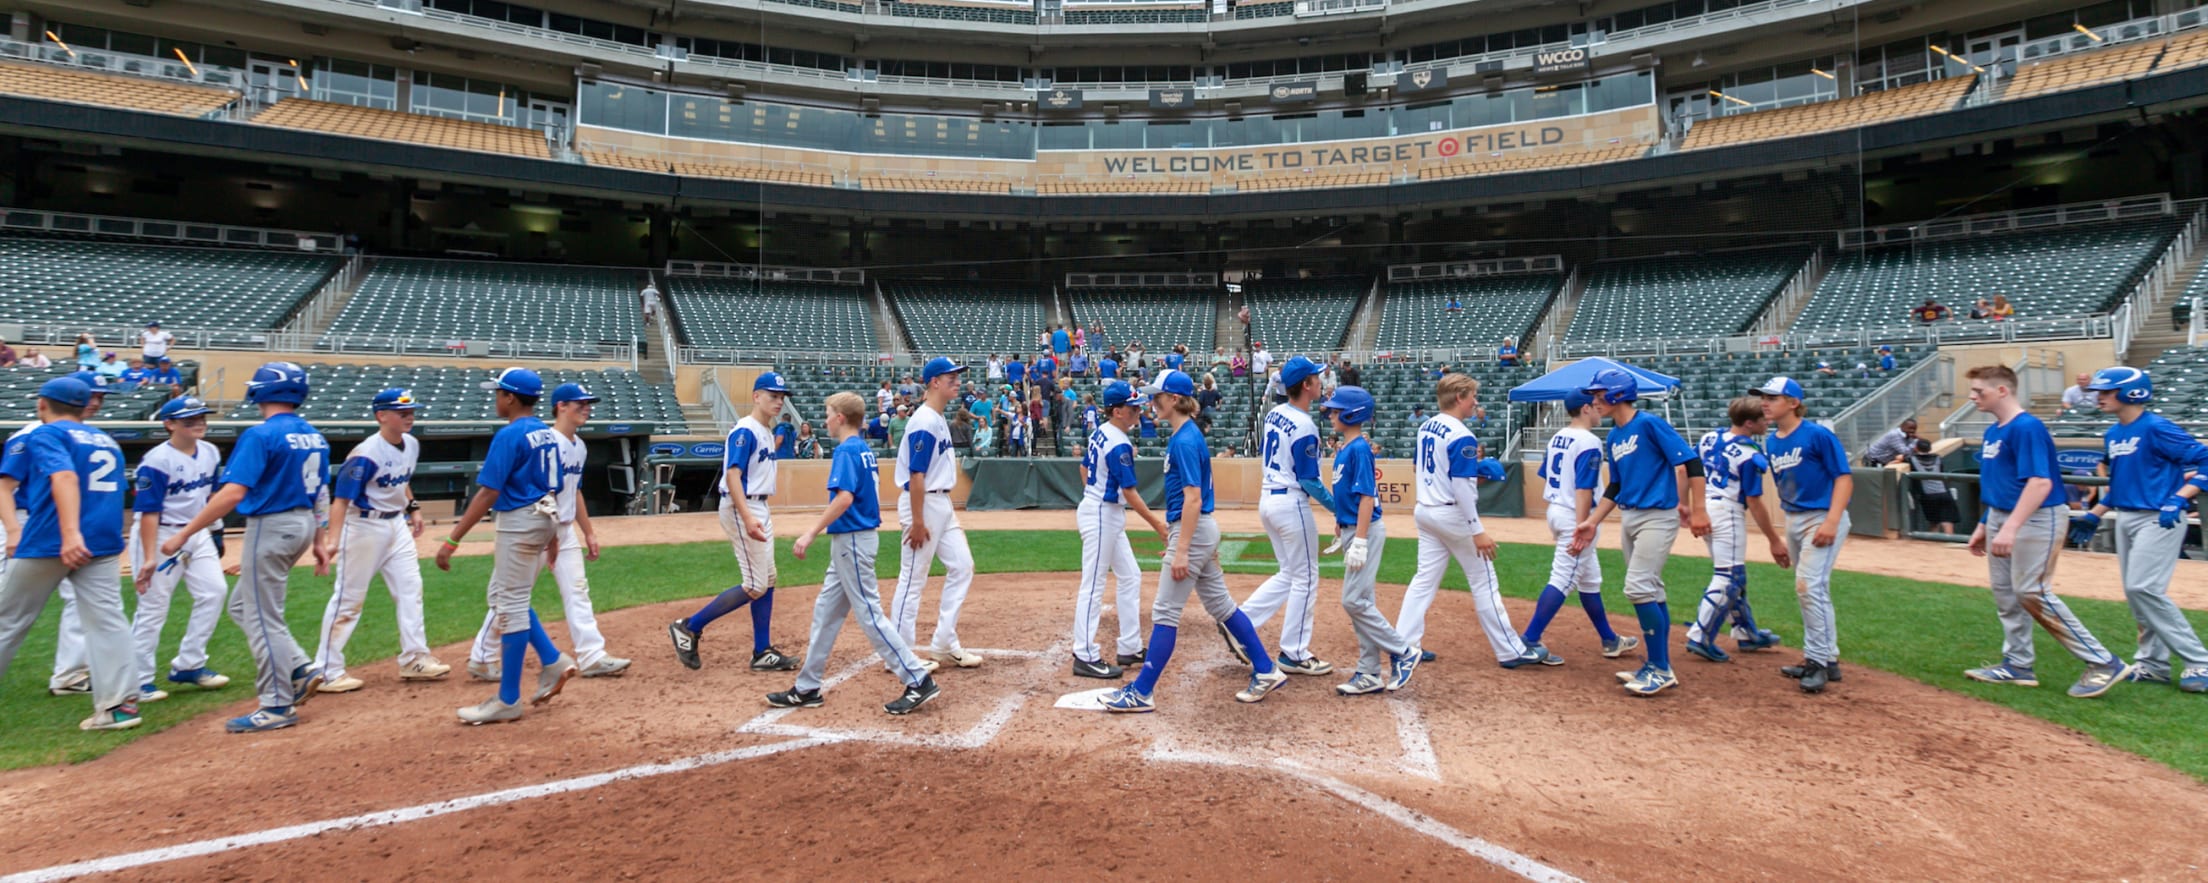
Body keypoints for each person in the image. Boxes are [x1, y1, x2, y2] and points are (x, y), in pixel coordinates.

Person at [160, 362, 333, 733]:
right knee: (243, 605)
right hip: (302, 522)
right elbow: (322, 492)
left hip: (272, 525)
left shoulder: (260, 434)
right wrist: (319, 539)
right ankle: (301, 667)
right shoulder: (314, 434)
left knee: (260, 616)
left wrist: (184, 533)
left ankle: (276, 704)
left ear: (261, 391)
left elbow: (233, 493)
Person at [1101, 370, 1285, 712]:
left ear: (1174, 400)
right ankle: (1265, 668)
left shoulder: (1185, 440)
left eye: (1158, 397)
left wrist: (1181, 547)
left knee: (1165, 612)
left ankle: (1141, 691)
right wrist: (1179, 539)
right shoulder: (1187, 435)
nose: (1152, 402)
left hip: (1195, 530)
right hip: (1197, 530)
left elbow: (1193, 499)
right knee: (1222, 607)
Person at [1959, 364, 2130, 698]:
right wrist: (1984, 525)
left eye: (1979, 391)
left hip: (2037, 517)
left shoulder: (2027, 428)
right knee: (2006, 595)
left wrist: (2010, 527)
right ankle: (2017, 664)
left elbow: (2039, 483)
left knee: (2032, 591)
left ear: (2002, 391)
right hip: (2001, 515)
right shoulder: (1995, 430)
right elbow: (2000, 483)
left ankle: (2103, 661)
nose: (1972, 396)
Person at [769, 391, 942, 714]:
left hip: (852, 539)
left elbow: (844, 498)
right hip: (851, 541)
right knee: (826, 612)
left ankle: (918, 679)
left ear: (840, 418)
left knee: (869, 613)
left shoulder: (848, 450)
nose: (825, 420)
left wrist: (810, 533)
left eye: (829, 413)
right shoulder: (862, 449)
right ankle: (807, 687)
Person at [435, 367, 577, 725]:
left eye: (499, 393)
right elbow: (555, 489)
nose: (495, 398)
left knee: (510, 605)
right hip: (543, 519)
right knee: (503, 596)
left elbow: (488, 492)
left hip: (519, 522)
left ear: (511, 397)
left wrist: (453, 539)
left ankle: (508, 699)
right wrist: (555, 536)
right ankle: (551, 659)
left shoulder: (510, 435)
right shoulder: (546, 434)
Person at [0, 376, 140, 731]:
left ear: (42, 404)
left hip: (53, 541)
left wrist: (70, 533)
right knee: (108, 620)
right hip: (104, 542)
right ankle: (118, 707)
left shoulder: (45, 433)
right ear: (84, 406)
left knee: (8, 619)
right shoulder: (106, 439)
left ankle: (113, 703)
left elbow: (64, 478)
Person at [468, 382, 631, 681]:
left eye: (587, 404)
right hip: (537, 527)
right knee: (510, 597)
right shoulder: (546, 440)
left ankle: (592, 655)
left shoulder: (579, 446)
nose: (586, 408)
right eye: (579, 403)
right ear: (560, 407)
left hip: (563, 530)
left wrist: (589, 532)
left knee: (578, 591)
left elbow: (575, 492)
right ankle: (482, 655)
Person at [2068, 367, 2208, 693]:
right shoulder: (2114, 433)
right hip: (2127, 516)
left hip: (2160, 517)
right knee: (2135, 594)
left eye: (2106, 391)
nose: (2098, 396)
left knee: (2144, 587)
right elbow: (2122, 482)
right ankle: (2153, 664)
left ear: (2131, 393)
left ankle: (2199, 661)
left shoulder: (2157, 427)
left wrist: (2179, 498)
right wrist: (2096, 514)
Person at [1573, 368, 1707, 697]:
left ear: (1618, 394)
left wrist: (1699, 508)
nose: (1594, 401)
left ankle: (1660, 668)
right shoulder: (1615, 436)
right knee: (1652, 589)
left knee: (1637, 587)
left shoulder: (1648, 423)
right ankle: (1656, 664)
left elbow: (1691, 462)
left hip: (1657, 516)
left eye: (1599, 394)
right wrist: (1593, 521)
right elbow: (1615, 486)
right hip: (1631, 517)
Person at [1400, 373, 1545, 668]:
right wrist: (1477, 530)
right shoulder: (1461, 434)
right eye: (1472, 396)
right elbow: (1463, 487)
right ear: (1459, 398)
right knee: (1484, 583)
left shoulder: (1426, 426)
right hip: (1450, 513)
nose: (1475, 401)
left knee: (1423, 581)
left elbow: (1421, 466)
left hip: (1425, 510)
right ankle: (1511, 651)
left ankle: (1404, 644)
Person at [312, 388, 450, 694]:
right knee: (349, 600)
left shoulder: (410, 444)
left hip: (395, 526)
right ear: (381, 416)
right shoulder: (365, 454)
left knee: (410, 589)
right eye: (402, 412)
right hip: (362, 527)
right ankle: (326, 669)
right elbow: (341, 500)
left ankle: (414, 659)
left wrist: (412, 508)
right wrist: (332, 541)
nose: (409, 416)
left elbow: (401, 479)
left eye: (411, 411)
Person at [668, 374, 798, 672]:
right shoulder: (745, 430)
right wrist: (749, 516)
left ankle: (762, 651)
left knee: (768, 579)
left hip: (758, 506)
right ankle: (689, 626)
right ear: (756, 396)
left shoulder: (766, 430)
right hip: (744, 507)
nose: (778, 401)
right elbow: (732, 476)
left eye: (781, 396)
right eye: (772, 395)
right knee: (755, 584)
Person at [1232, 357, 1339, 675]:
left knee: (1290, 574)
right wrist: (1337, 508)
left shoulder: (1275, 413)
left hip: (1269, 499)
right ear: (1306, 385)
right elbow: (1309, 480)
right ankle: (1294, 652)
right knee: (1306, 577)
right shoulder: (1305, 425)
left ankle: (1242, 623)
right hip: (1291, 503)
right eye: (1316, 378)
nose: (1321, 382)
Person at [1517, 390, 1639, 662]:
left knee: (1590, 580)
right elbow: (1584, 487)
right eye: (1596, 407)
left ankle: (1610, 640)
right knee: (1562, 579)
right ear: (1586, 409)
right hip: (1575, 514)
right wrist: (1585, 525)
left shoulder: (1558, 436)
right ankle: (1528, 640)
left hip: (1557, 508)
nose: (1600, 411)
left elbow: (1545, 474)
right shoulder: (1589, 441)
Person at [125, 396, 233, 703]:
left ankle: (189, 664)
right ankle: (138, 679)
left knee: (214, 592)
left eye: (201, 418)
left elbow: (211, 495)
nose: (199, 423)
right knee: (153, 608)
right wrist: (148, 558)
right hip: (161, 534)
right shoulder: (156, 461)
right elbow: (148, 512)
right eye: (190, 420)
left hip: (196, 533)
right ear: (169, 424)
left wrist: (216, 530)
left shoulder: (210, 451)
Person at [1317, 386, 1422, 695]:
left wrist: (1360, 539)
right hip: (1352, 529)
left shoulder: (1359, 449)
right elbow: (1347, 495)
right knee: (1362, 601)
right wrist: (1341, 523)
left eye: (1337, 410)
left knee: (1353, 600)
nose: (1332, 414)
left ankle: (1403, 651)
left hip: (1366, 531)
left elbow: (1366, 497)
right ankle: (1369, 672)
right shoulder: (1346, 449)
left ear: (1353, 414)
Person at [11, 372, 110, 698]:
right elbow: (4, 487)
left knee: (75, 603)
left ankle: (69, 675)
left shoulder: (86, 436)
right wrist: (12, 529)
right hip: (22, 522)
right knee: (8, 608)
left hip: (58, 527)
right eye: (90, 395)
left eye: (99, 397)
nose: (94, 402)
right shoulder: (33, 434)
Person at [1754, 380, 1853, 692]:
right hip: (1794, 518)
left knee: (1809, 586)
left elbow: (1844, 478)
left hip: (1822, 516)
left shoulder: (1818, 434)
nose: (1765, 403)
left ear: (1793, 402)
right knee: (1812, 590)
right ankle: (1827, 658)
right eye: (1763, 398)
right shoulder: (1773, 441)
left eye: (1772, 398)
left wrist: (1832, 521)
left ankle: (1818, 662)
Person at [1070, 381, 1169, 680]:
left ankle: (1129, 646)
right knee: (1093, 584)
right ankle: (1084, 654)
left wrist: (1094, 493)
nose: (1138, 411)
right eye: (1132, 407)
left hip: (1101, 511)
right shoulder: (1118, 442)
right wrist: (1158, 525)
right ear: (1117, 411)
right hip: (1101, 515)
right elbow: (1129, 492)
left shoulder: (1102, 431)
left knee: (1130, 575)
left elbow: (1084, 469)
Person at [890, 358, 984, 669]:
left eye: (958, 377)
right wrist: (917, 522)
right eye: (951, 377)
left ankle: (944, 643)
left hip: (939, 503)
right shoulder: (924, 421)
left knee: (962, 566)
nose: (957, 382)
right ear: (934, 382)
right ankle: (899, 655)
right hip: (924, 503)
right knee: (913, 578)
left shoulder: (938, 418)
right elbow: (916, 476)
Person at [1904, 439, 1960, 534]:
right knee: (1947, 522)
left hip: (1928, 496)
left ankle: (1935, 545)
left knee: (1934, 522)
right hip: (1944, 493)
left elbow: (1899, 457)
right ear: (1930, 449)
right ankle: (1950, 542)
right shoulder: (1937, 457)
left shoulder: (1911, 459)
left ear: (1916, 448)